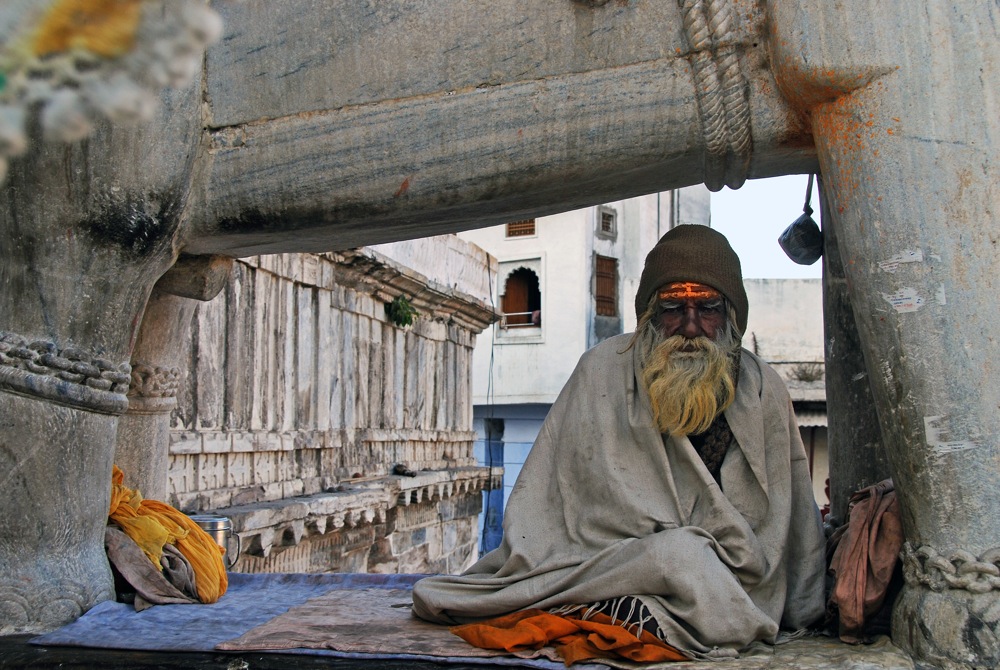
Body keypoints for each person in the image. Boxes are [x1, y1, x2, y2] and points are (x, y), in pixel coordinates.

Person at [412, 225, 826, 659]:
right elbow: (552, 514)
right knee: (680, 557)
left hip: (739, 580)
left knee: (688, 561)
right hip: (617, 564)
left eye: (707, 308)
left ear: (729, 317)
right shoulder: (601, 372)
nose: (690, 326)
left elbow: (789, 517)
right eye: (672, 307)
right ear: (649, 314)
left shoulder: (762, 390)